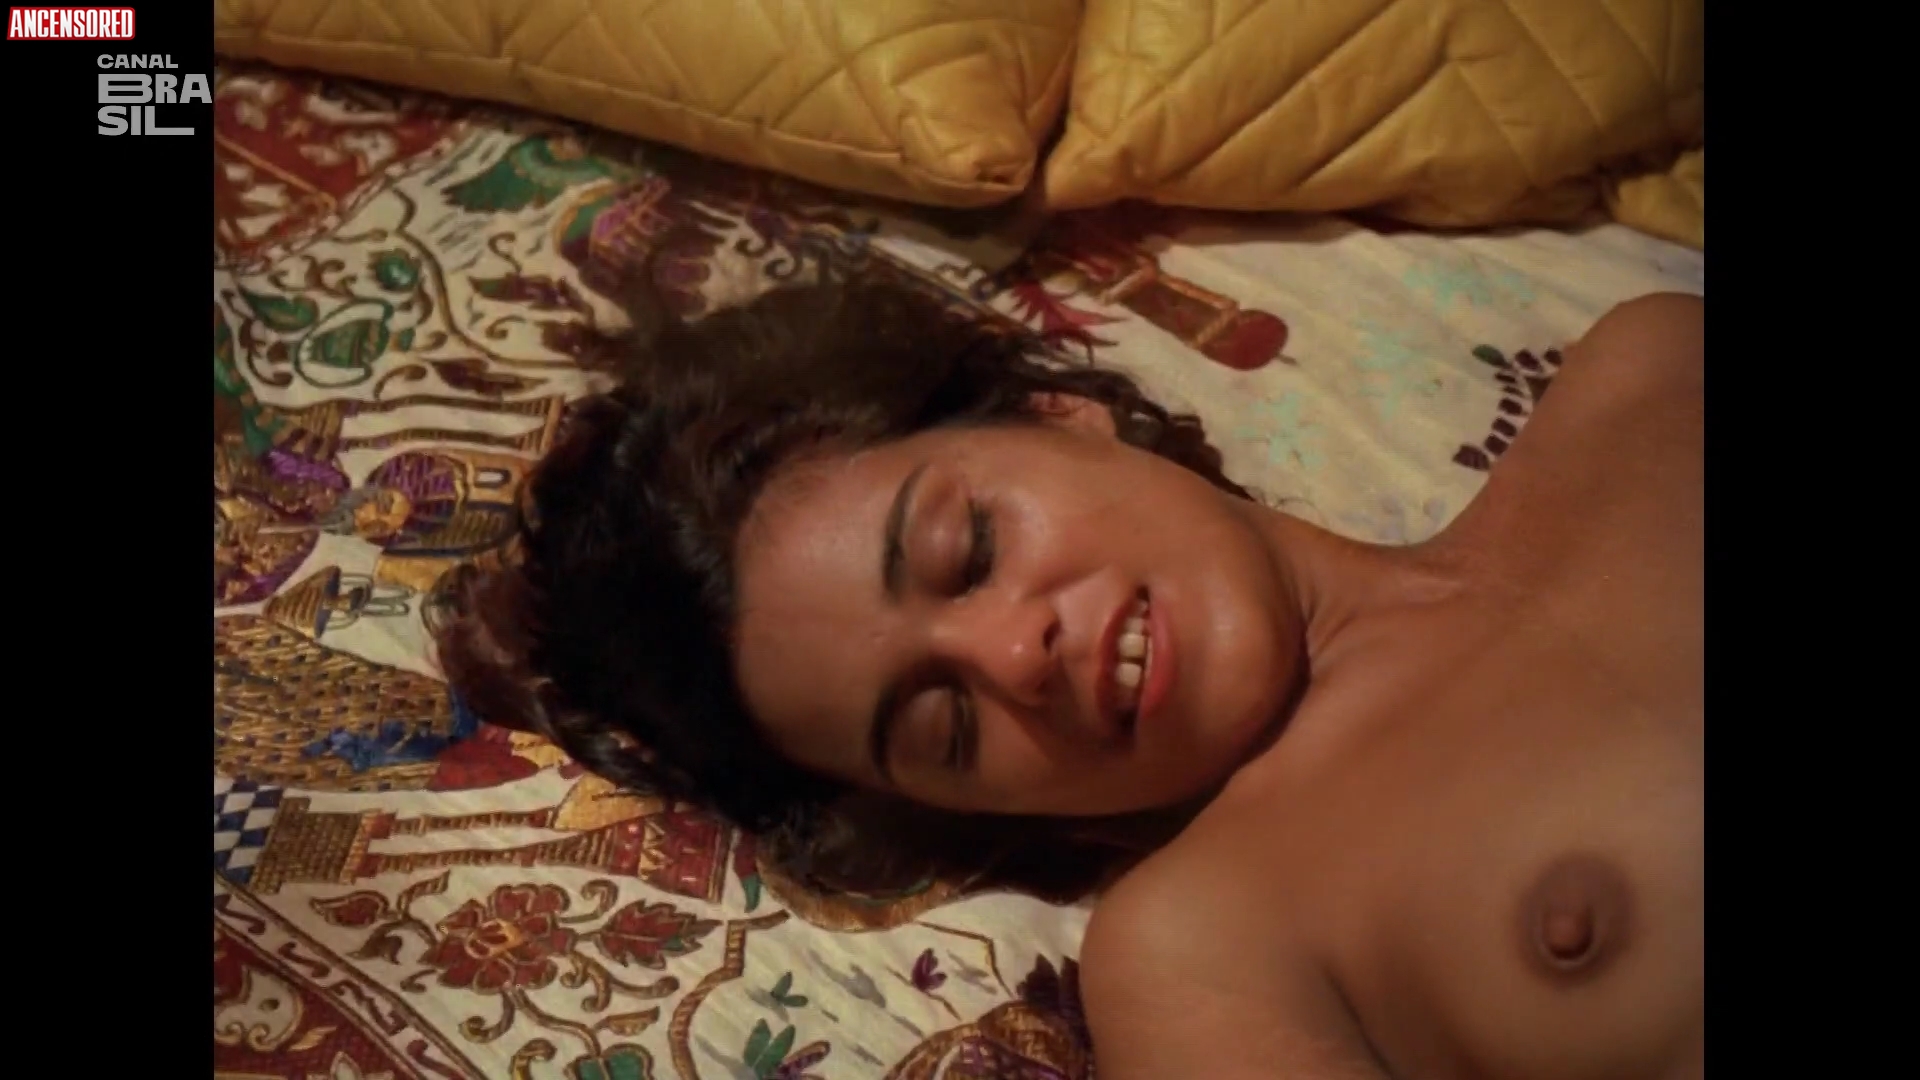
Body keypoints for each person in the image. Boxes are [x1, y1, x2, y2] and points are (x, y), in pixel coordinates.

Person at [438, 273, 1704, 1080]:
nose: (1013, 658)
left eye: (969, 550)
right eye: (943, 725)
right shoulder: (1207, 948)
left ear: (1061, 417)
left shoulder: (1652, 381)